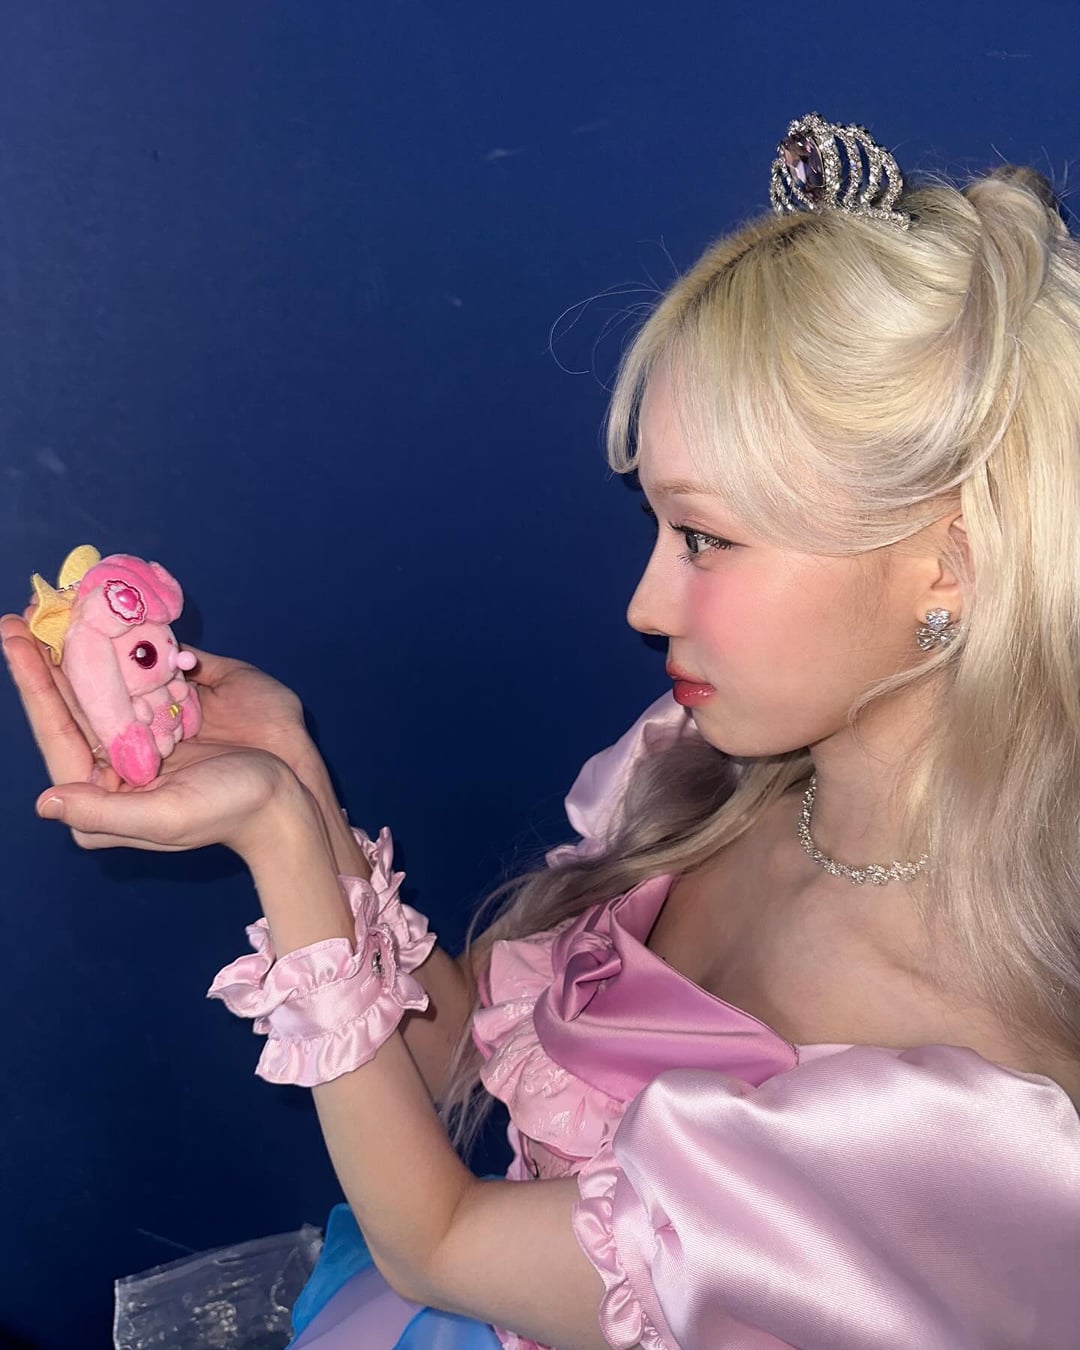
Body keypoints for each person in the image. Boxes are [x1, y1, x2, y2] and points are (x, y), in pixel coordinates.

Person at [5, 112, 1080, 1349]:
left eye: (707, 538)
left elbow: (440, 1243)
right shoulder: (698, 775)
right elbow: (459, 1045)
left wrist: (278, 837)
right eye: (658, 525)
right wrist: (288, 772)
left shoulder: (966, 1102)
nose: (644, 605)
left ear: (947, 560)